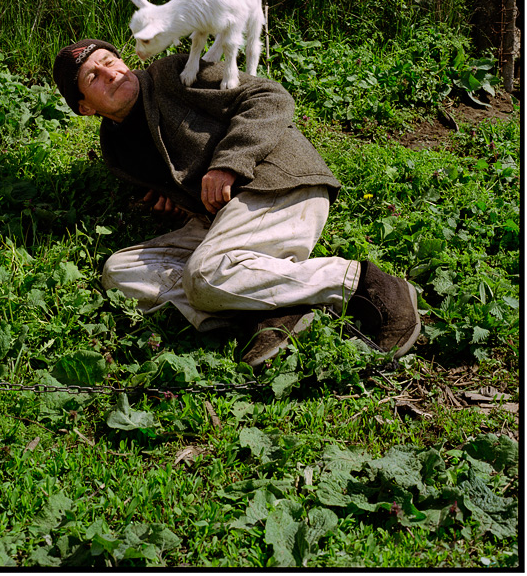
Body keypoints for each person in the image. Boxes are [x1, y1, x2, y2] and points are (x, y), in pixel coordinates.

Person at [53, 39, 420, 367]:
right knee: (120, 272)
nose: (111, 73)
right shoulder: (115, 149)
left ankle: (365, 284)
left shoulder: (172, 73)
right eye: (94, 77)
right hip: (222, 217)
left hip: (275, 183)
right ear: (85, 108)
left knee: (203, 275)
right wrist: (178, 201)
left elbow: (270, 97)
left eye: (109, 61)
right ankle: (276, 309)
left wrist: (229, 163)